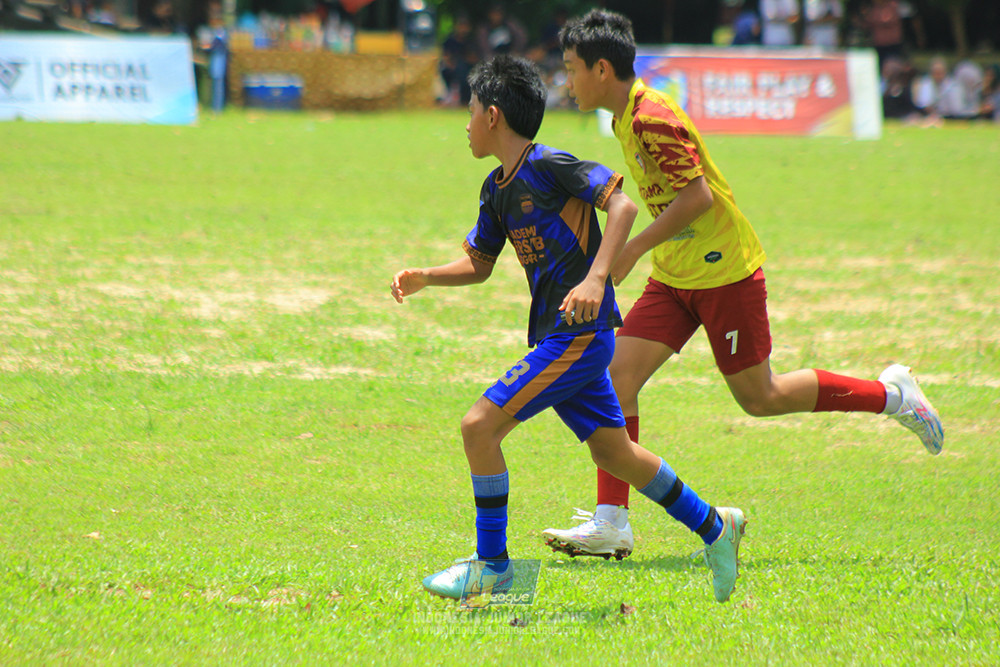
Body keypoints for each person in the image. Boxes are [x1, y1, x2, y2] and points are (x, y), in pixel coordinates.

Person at [544, 9, 943, 560]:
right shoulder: (623, 116)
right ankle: (612, 522)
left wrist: (633, 247)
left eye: (571, 68)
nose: (567, 80)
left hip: (724, 270)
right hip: (677, 273)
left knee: (762, 397)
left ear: (602, 69)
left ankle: (893, 397)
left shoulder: (650, 117)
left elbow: (698, 197)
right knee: (615, 380)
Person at [391, 55, 748, 604]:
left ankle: (495, 569)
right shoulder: (496, 189)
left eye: (468, 112)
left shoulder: (551, 166)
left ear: (492, 116)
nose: (463, 125)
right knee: (617, 455)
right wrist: (427, 278)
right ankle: (715, 530)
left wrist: (596, 277)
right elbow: (481, 264)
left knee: (478, 427)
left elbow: (623, 207)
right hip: (562, 338)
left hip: (578, 335)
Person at [439, 13, 477, 107]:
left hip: (466, 68)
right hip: (451, 68)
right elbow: (446, 57)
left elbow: (473, 58)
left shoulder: (470, 41)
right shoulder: (450, 41)